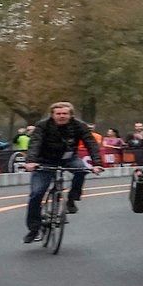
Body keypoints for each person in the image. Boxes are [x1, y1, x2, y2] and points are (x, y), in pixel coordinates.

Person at [22, 102, 105, 242]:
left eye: (65, 114)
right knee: (36, 194)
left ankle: (72, 199)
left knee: (82, 170)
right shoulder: (42, 125)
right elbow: (35, 143)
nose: (61, 116)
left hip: (68, 158)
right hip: (44, 160)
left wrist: (97, 163)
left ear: (71, 115)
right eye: (58, 114)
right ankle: (34, 229)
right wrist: (30, 161)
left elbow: (90, 143)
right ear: (52, 115)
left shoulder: (79, 125)